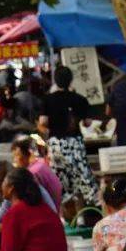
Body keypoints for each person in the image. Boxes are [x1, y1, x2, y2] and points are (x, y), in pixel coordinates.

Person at [42, 65, 96, 207]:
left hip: (56, 144)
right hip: (75, 143)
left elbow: (43, 122)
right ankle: (84, 213)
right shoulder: (80, 99)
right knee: (81, 178)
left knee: (61, 180)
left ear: (55, 81)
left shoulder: (48, 99)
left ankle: (66, 216)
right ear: (71, 80)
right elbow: (87, 123)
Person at [11, 133, 63, 213]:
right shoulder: (40, 163)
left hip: (49, 212)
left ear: (24, 154)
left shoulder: (32, 173)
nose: (15, 161)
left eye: (16, 156)